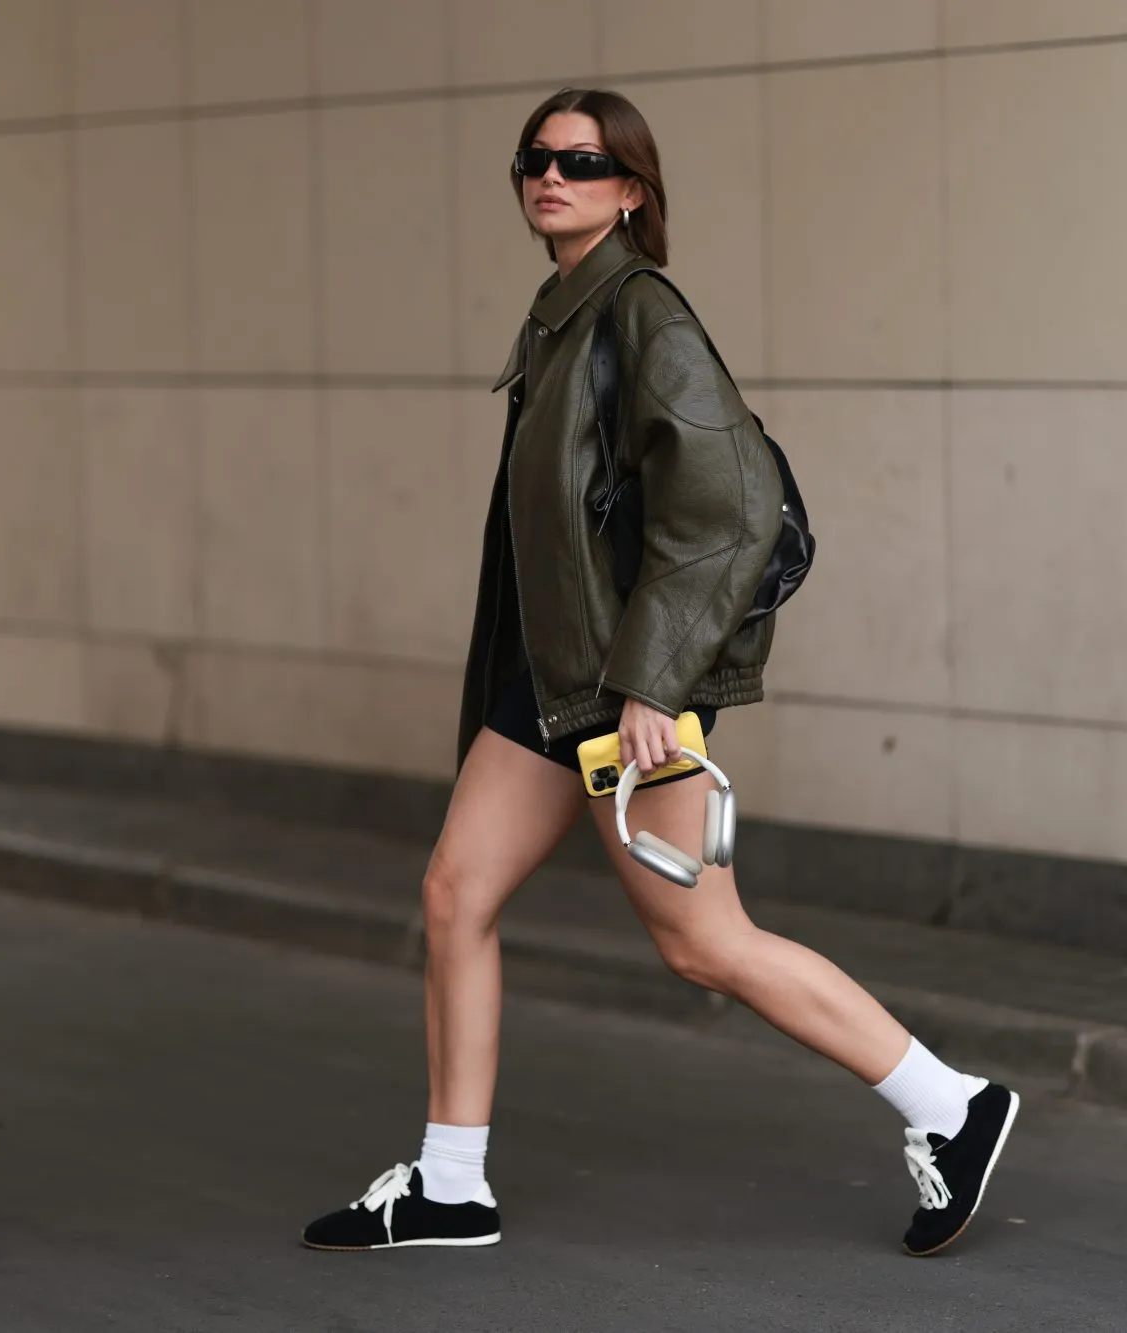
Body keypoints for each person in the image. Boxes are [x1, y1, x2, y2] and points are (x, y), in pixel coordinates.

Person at [301, 88, 1016, 1259]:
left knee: (703, 943)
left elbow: (728, 507)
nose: (552, 177)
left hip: (618, 688)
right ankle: (448, 1183)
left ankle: (951, 1103)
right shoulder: (561, 314)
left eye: (581, 162)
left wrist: (652, 682)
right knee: (454, 893)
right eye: (535, 158)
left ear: (631, 188)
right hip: (551, 680)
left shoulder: (641, 314)